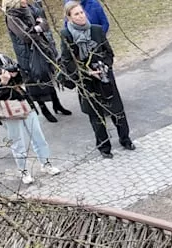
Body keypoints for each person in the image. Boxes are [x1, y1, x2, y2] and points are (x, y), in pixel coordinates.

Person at [0, 34, 60, 185]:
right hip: (6, 105)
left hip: (21, 98)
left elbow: (21, 77)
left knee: (37, 134)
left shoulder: (3, 58)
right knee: (17, 140)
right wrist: (3, 82)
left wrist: (16, 74)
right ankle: (23, 170)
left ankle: (46, 163)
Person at [60, 1, 134, 159]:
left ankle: (125, 139)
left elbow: (108, 53)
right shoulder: (67, 36)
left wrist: (105, 66)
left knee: (117, 111)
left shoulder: (96, 30)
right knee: (96, 117)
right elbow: (67, 61)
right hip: (87, 82)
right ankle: (104, 146)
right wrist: (87, 72)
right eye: (76, 14)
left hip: (105, 78)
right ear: (69, 18)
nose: (80, 16)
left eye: (81, 13)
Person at [5, 0, 72, 123]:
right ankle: (44, 109)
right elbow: (26, 36)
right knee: (35, 80)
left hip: (41, 48)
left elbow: (44, 24)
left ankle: (56, 104)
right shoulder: (12, 17)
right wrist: (38, 27)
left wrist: (37, 28)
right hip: (28, 55)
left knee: (48, 75)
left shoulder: (30, 8)